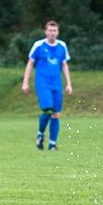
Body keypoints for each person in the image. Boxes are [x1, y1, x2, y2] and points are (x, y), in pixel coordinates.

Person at [21, 20, 72, 150]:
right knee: (48, 109)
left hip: (56, 84)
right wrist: (25, 82)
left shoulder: (62, 46)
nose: (52, 33)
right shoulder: (38, 45)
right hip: (42, 83)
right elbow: (30, 63)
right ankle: (40, 134)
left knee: (56, 114)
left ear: (58, 32)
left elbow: (64, 65)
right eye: (50, 30)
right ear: (46, 32)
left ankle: (52, 144)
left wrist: (68, 84)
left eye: (54, 30)